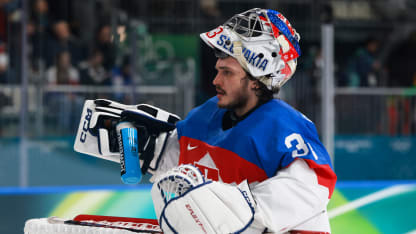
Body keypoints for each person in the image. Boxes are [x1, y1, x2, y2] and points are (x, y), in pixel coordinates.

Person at [76, 8, 337, 233]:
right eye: (217, 70)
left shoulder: (285, 129)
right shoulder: (208, 114)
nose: (215, 81)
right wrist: (146, 148)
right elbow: (179, 167)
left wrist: (224, 207)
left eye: (227, 72)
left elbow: (310, 190)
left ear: (258, 78)